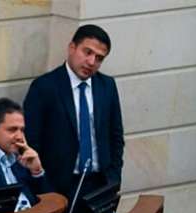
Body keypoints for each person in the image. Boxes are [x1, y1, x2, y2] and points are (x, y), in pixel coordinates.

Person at [23, 24, 124, 203]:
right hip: (59, 188)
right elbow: (32, 141)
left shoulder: (107, 86)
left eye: (99, 58)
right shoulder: (45, 87)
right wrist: (45, 187)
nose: (92, 62)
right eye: (87, 52)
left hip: (100, 186)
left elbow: (115, 136)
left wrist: (114, 179)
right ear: (72, 48)